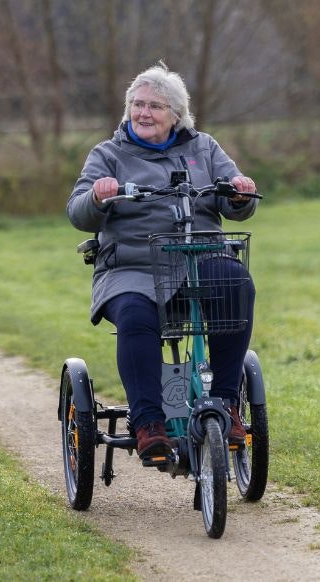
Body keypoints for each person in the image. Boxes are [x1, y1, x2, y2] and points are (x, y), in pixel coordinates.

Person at [67, 62, 258, 461]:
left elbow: (234, 200)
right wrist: (99, 197)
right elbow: (78, 212)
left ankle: (226, 404)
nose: (143, 113)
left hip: (201, 257)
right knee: (136, 315)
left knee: (237, 283)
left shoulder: (204, 147)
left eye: (154, 105)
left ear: (176, 114)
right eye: (136, 104)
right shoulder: (108, 154)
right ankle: (148, 424)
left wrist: (239, 193)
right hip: (132, 267)